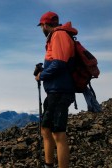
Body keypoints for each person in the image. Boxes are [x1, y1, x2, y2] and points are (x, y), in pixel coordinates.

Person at [35, 11, 77, 168]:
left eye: (41, 26)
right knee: (46, 129)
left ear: (45, 25)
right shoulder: (56, 37)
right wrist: (43, 71)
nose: (41, 29)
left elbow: (60, 63)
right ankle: (49, 164)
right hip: (55, 91)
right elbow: (57, 62)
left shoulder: (59, 35)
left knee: (58, 132)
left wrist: (42, 75)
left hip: (60, 91)